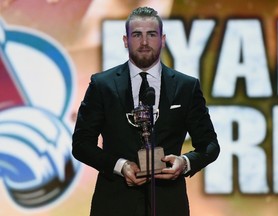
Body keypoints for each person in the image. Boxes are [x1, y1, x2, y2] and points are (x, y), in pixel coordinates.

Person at [72, 6, 220, 216]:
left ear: (162, 39)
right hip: (114, 205)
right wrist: (120, 166)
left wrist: (184, 163)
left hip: (168, 206)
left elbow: (210, 145)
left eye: (151, 34)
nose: (144, 42)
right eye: (136, 35)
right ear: (125, 40)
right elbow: (81, 144)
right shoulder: (102, 85)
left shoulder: (186, 87)